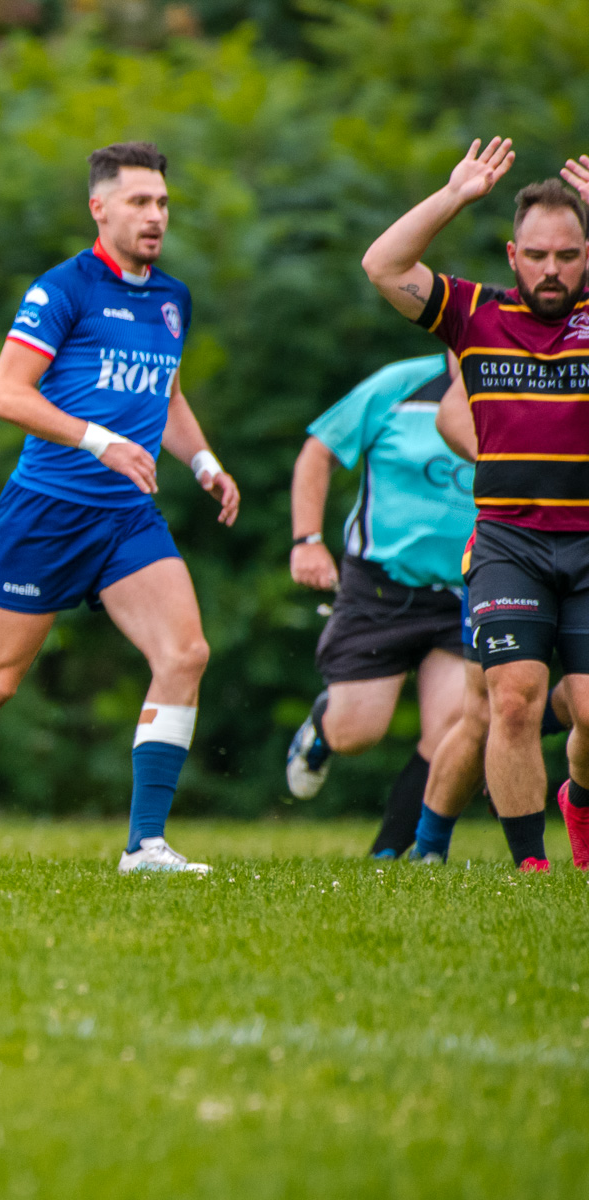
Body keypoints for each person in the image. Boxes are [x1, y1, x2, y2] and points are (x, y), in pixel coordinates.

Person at [0, 141, 239, 874]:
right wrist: (99, 440)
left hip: (126, 516)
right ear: (99, 208)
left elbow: (166, 394)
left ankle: (145, 846)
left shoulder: (172, 298)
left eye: (161, 202)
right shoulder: (62, 289)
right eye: (138, 201)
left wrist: (202, 461)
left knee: (185, 653)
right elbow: (6, 395)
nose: (154, 215)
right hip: (47, 511)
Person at [362, 136, 589, 871]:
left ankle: (577, 804)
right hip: (509, 543)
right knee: (512, 699)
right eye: (537, 255)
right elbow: (383, 265)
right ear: (513, 254)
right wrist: (453, 194)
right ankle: (531, 867)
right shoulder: (474, 314)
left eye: (567, 255)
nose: (551, 270)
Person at [281, 354, 475, 859]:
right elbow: (317, 451)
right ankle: (322, 729)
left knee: (454, 729)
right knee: (357, 734)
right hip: (381, 587)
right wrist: (306, 539)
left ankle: (389, 853)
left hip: (465, 590)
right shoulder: (400, 384)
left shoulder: (515, 390)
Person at [406, 371, 574, 865]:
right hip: (511, 548)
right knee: (486, 710)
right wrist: (515, 465)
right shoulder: (502, 332)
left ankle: (524, 726)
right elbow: (451, 413)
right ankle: (429, 847)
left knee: (557, 702)